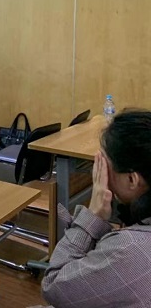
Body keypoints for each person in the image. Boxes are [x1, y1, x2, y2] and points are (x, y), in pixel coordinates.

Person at [41, 110, 151, 308]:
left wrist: (92, 217)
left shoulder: (129, 248)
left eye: (103, 164)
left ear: (132, 179)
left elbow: (54, 287)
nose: (98, 172)